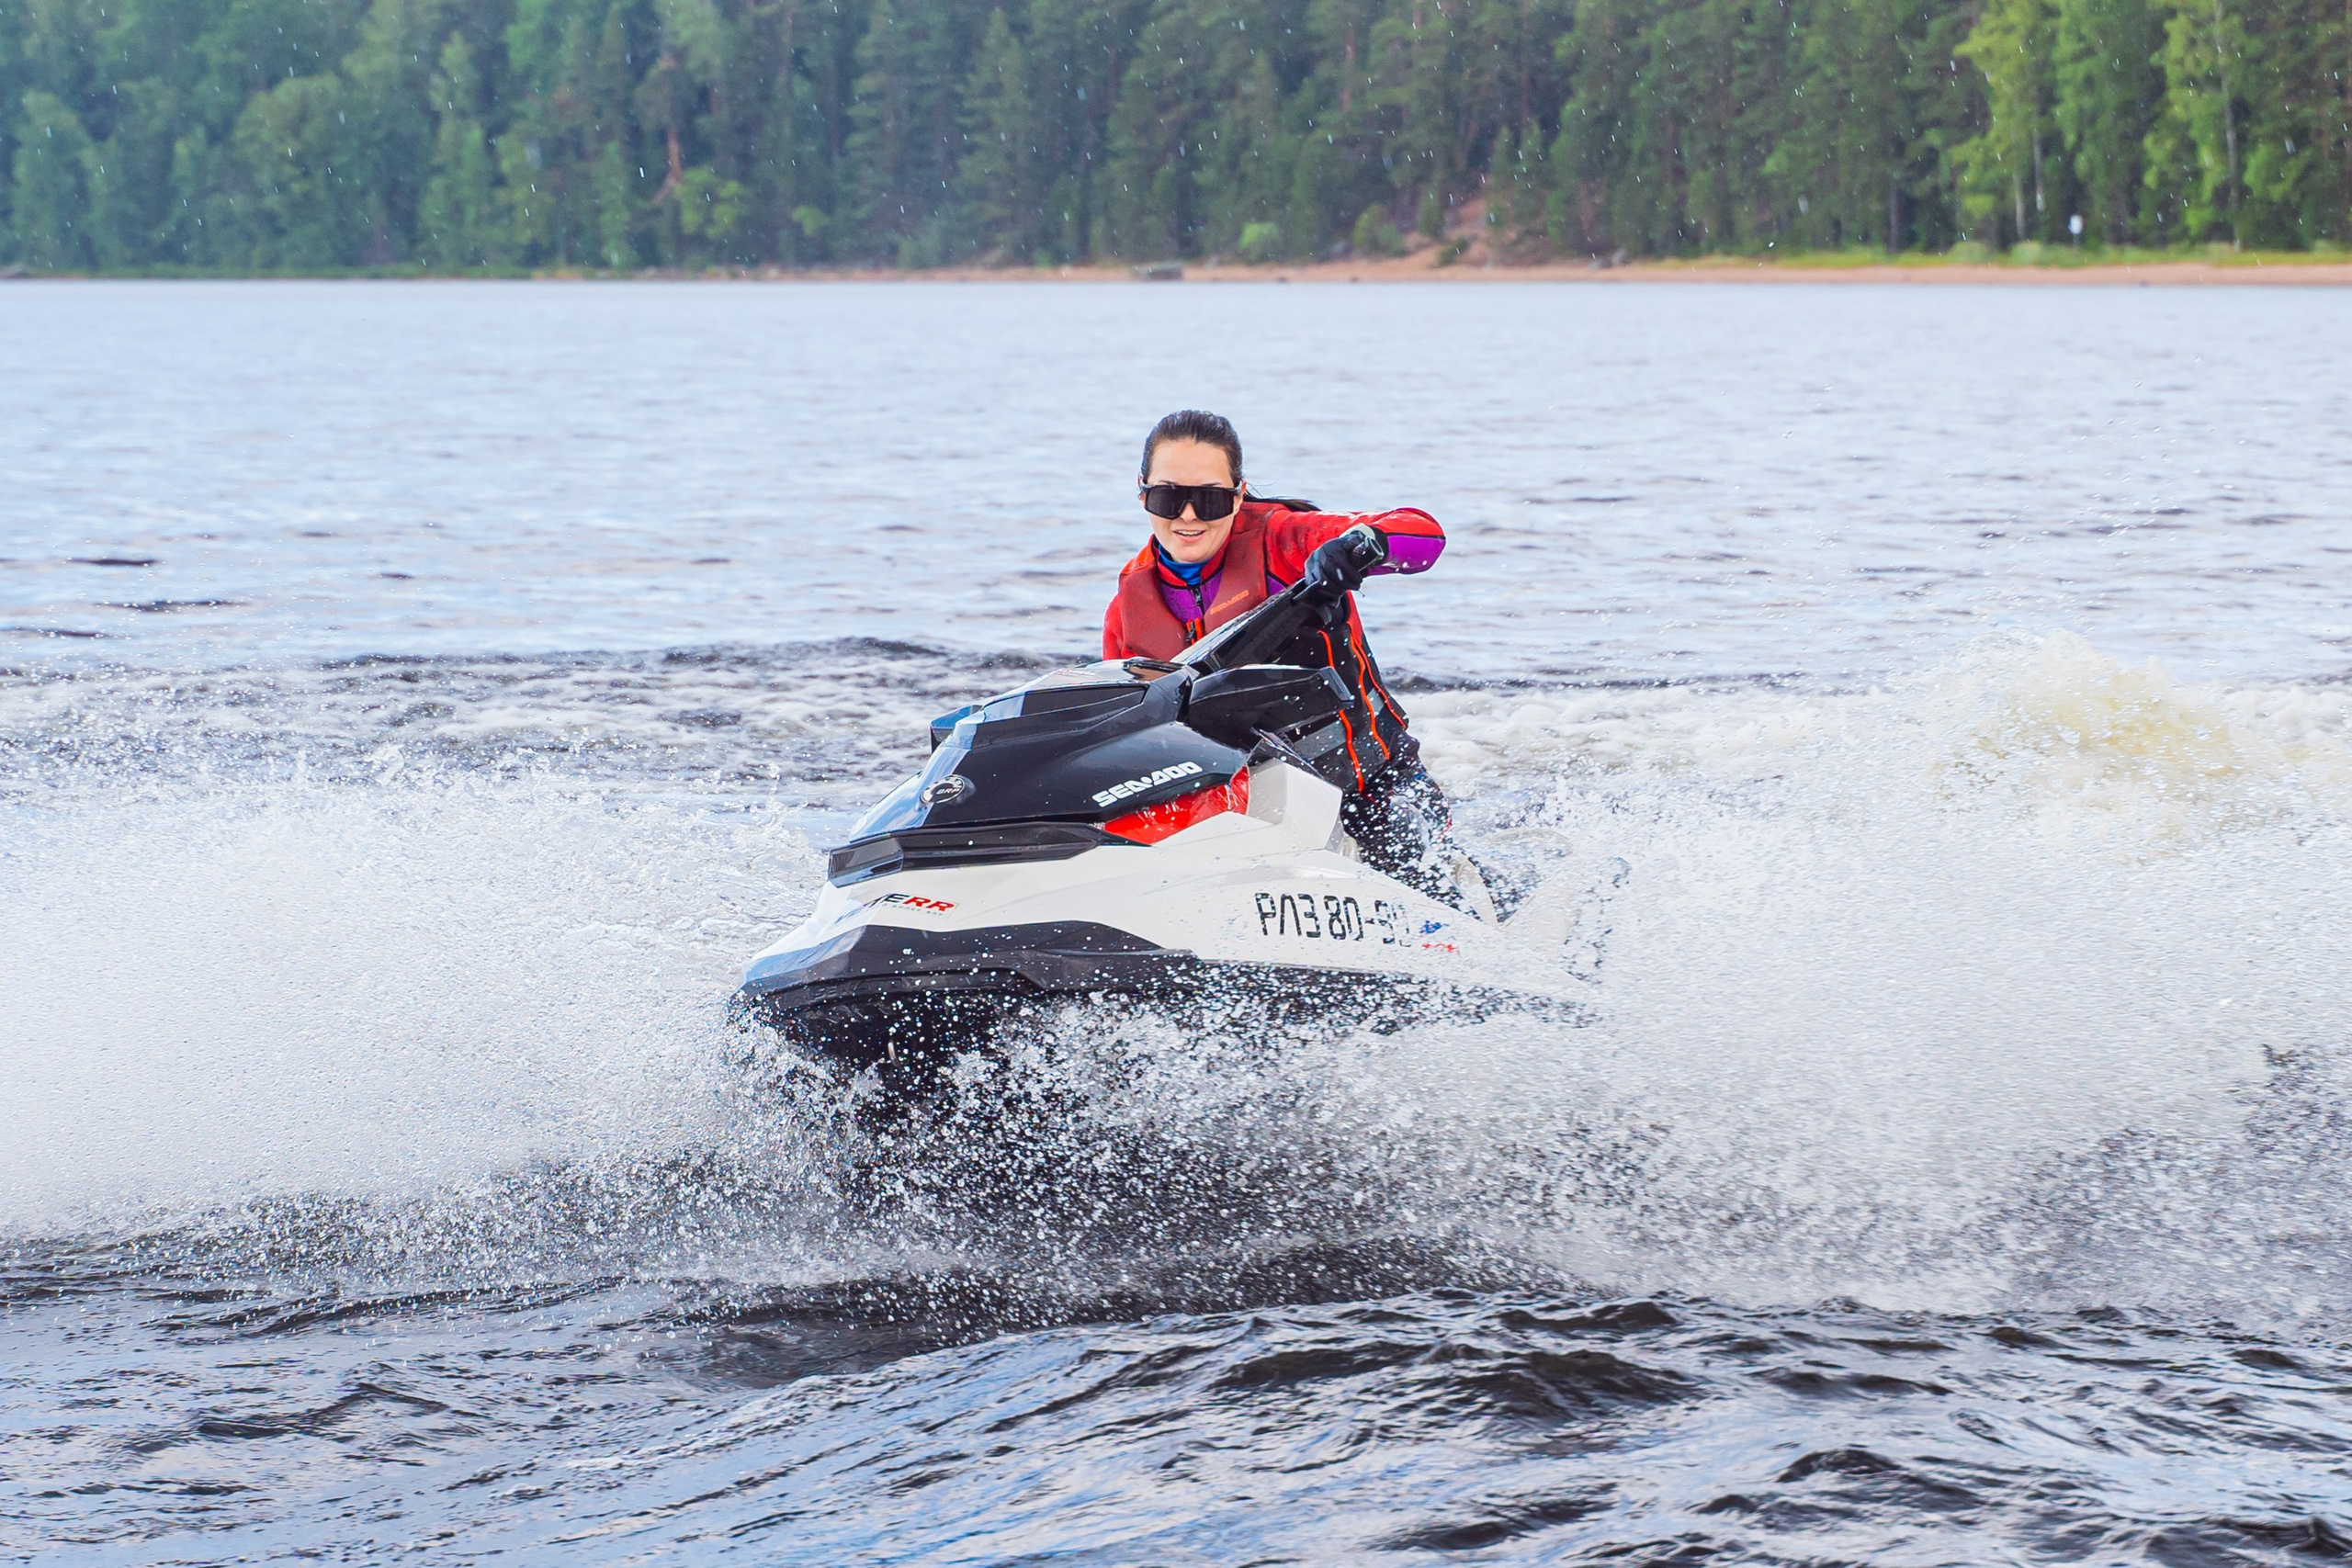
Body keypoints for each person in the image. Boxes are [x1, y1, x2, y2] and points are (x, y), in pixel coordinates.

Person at [1102, 409, 1472, 906]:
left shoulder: (1285, 542)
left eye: (1209, 499)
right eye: (1169, 497)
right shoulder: (1128, 607)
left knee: (1415, 869)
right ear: (1143, 493)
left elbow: (1423, 535)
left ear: (1238, 494)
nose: (1188, 517)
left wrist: (1365, 545)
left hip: (1375, 791)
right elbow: (1122, 734)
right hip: (1255, 812)